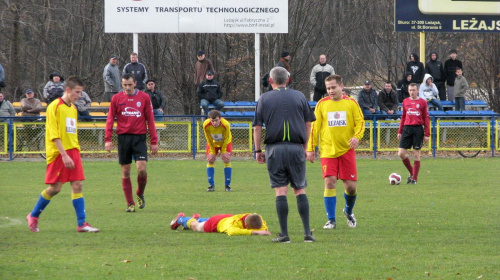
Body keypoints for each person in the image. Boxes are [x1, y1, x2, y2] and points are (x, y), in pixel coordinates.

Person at [26, 76, 99, 233]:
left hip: (73, 150)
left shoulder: (73, 108)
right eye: (77, 92)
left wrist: (75, 151)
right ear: (68, 90)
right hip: (59, 152)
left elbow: (70, 132)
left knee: (78, 184)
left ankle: (82, 224)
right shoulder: (55, 106)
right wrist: (64, 155)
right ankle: (33, 215)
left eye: (81, 93)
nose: (79, 96)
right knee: (56, 188)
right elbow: (53, 133)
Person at [253, 66, 316, 243]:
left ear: (270, 81)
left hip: (275, 149)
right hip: (296, 148)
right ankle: (307, 234)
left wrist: (257, 150)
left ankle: (284, 234)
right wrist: (305, 147)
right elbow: (308, 123)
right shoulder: (299, 96)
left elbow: (257, 127)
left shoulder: (264, 98)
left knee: (281, 190)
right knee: (299, 188)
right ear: (287, 80)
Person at [306, 74, 365, 230]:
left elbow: (360, 122)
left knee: (351, 187)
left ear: (341, 86)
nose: (330, 91)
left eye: (333, 87)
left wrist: (356, 137)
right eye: (328, 88)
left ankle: (348, 211)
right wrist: (311, 148)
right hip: (327, 151)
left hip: (346, 150)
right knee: (330, 181)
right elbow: (314, 128)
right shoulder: (321, 104)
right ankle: (331, 220)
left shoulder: (351, 103)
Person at [105, 73, 158, 212]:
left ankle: (140, 192)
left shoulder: (144, 97)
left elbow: (150, 120)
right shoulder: (116, 98)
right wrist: (108, 139)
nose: (127, 87)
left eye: (130, 84)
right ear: (122, 84)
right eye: (124, 85)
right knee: (126, 171)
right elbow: (110, 119)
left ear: (135, 83)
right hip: (123, 138)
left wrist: (154, 140)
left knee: (141, 169)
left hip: (139, 137)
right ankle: (130, 203)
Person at [397, 83, 430, 185]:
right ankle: (412, 173)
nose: (412, 92)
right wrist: (400, 131)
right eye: (410, 90)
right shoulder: (405, 101)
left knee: (416, 154)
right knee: (401, 153)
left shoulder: (423, 102)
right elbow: (403, 117)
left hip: (418, 129)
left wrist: (427, 134)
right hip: (407, 129)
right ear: (408, 91)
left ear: (417, 90)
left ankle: (414, 179)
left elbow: (426, 118)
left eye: (414, 90)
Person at [203, 110, 232, 192]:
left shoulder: (225, 124)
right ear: (209, 119)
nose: (214, 123)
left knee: (226, 160)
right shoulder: (206, 124)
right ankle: (211, 185)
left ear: (220, 118)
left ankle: (227, 185)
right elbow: (208, 138)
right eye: (212, 121)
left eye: (216, 120)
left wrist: (223, 151)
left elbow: (226, 138)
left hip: (225, 143)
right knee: (210, 160)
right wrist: (212, 152)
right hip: (213, 143)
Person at [170, 212, 270, 236]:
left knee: (200, 222)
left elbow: (263, 227)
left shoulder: (257, 217)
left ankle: (197, 218)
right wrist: (255, 233)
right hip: (216, 223)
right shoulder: (232, 224)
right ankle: (180, 219)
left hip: (226, 217)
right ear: (247, 226)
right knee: (196, 227)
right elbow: (231, 232)